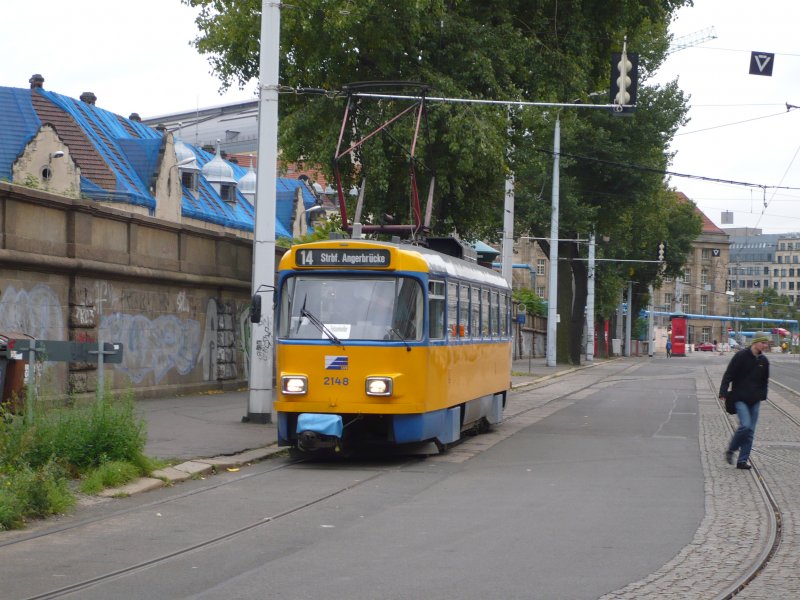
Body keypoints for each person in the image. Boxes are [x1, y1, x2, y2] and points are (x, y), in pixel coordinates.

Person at [719, 332, 770, 470]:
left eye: (766, 343)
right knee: (746, 426)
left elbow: (764, 380)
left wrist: (762, 395)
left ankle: (742, 460)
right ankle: (731, 449)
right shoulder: (741, 356)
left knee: (750, 431)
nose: (765, 346)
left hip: (755, 400)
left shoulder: (763, 361)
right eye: (763, 343)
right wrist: (723, 392)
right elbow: (728, 374)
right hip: (740, 398)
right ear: (756, 343)